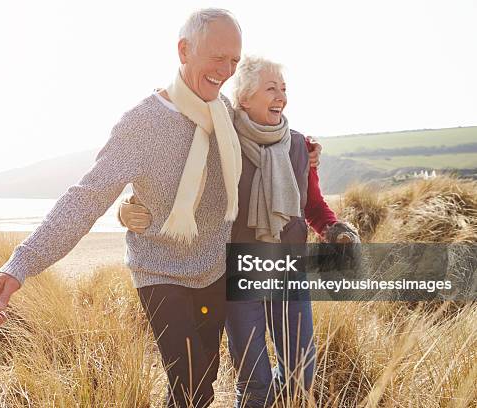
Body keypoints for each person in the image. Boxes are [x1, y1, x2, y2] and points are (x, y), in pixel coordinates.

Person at [0, 8, 246, 408]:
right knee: (190, 381)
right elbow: (86, 197)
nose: (226, 70)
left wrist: (305, 152)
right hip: (159, 268)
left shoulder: (223, 111)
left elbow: (267, 139)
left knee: (200, 387)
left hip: (214, 266)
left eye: (234, 61)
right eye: (217, 57)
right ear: (184, 50)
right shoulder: (141, 124)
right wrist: (20, 264)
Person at [119, 55, 359, 407]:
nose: (281, 96)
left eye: (284, 88)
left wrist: (335, 230)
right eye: (270, 88)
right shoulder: (220, 144)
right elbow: (174, 186)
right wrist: (129, 207)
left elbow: (313, 207)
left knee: (299, 375)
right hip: (237, 275)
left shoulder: (298, 147)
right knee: (254, 382)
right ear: (244, 98)